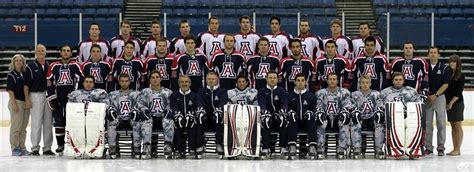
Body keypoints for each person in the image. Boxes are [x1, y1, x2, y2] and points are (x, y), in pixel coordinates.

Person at [46, 45, 83, 155]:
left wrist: (77, 97)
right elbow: (49, 82)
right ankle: (60, 145)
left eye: (68, 51)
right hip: (58, 98)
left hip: (72, 99)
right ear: (60, 53)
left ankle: (73, 144)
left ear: (71, 53)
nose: (66, 53)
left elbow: (81, 80)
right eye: (64, 51)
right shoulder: (53, 66)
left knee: (73, 122)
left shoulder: (76, 65)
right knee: (59, 122)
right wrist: (52, 97)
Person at [376, 72, 423, 159]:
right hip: (392, 118)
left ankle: (412, 150)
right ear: (393, 81)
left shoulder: (411, 91)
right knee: (397, 125)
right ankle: (396, 151)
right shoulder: (385, 92)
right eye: (396, 80)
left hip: (407, 117)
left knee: (413, 125)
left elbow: (418, 103)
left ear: (403, 81)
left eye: (400, 80)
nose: (398, 82)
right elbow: (379, 105)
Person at [24, 44, 54, 156]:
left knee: (48, 122)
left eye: (43, 51)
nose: (41, 53)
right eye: (39, 51)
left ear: (45, 52)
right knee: (36, 122)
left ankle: (47, 148)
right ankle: (35, 148)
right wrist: (27, 99)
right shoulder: (30, 67)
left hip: (48, 96)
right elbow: (26, 84)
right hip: (35, 95)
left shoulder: (49, 66)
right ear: (35, 53)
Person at [136, 71, 174, 159]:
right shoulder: (145, 92)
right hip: (150, 117)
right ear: (149, 80)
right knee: (146, 121)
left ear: (160, 79)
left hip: (162, 118)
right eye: (152, 77)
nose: (155, 79)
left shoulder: (167, 92)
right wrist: (144, 110)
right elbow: (140, 104)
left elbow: (172, 104)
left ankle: (168, 146)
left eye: (157, 77)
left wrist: (168, 110)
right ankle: (147, 147)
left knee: (168, 120)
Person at [314, 73, 352, 159]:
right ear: (327, 81)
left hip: (338, 118)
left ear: (338, 81)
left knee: (345, 118)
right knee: (320, 119)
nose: (332, 81)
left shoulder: (344, 92)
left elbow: (347, 106)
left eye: (334, 79)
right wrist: (321, 114)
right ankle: (320, 147)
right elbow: (318, 106)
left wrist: (343, 114)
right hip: (326, 118)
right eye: (330, 79)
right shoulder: (320, 93)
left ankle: (341, 148)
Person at [349, 75, 384, 159]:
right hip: (360, 118)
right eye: (363, 82)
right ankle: (357, 148)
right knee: (355, 122)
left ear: (370, 83)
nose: (365, 84)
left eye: (367, 82)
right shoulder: (354, 94)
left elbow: (380, 106)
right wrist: (354, 111)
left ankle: (378, 148)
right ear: (359, 83)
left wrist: (379, 112)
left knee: (379, 122)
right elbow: (350, 106)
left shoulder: (376, 94)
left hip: (372, 118)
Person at [106, 74, 140, 159]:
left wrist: (136, 111)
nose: (124, 83)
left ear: (129, 82)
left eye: (126, 81)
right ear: (119, 82)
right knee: (111, 123)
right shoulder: (113, 94)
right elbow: (109, 106)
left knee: (137, 123)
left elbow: (140, 105)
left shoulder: (136, 94)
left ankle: (136, 147)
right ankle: (113, 147)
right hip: (119, 118)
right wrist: (111, 111)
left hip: (131, 118)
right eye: (122, 81)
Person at [424, 46, 450, 156]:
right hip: (427, 98)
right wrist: (428, 95)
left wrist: (436, 94)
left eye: (435, 52)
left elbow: (446, 84)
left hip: (439, 98)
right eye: (431, 52)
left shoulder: (444, 68)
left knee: (441, 124)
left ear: (438, 55)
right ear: (428, 54)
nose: (433, 54)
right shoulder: (425, 67)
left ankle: (441, 147)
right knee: (428, 124)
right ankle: (428, 147)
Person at [258, 70, 289, 159]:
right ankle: (266, 148)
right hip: (268, 117)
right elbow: (262, 103)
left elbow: (285, 103)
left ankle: (283, 147)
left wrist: (283, 110)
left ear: (277, 79)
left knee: (284, 118)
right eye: (270, 78)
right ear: (266, 79)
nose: (272, 80)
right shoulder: (262, 91)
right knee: (265, 119)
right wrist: (264, 111)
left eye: (274, 78)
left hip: (278, 118)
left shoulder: (282, 91)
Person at [196, 72, 228, 157]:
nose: (211, 81)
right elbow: (200, 102)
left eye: (213, 79)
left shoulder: (222, 91)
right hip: (206, 117)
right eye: (209, 79)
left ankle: (219, 144)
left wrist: (219, 109)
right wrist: (201, 109)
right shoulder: (201, 90)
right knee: (200, 116)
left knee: (219, 116)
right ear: (206, 80)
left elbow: (223, 102)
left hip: (216, 117)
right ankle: (199, 144)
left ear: (217, 79)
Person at [286, 73, 317, 159]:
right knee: (292, 118)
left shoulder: (311, 96)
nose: (300, 83)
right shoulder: (290, 96)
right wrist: (290, 112)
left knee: (311, 117)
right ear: (295, 82)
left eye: (302, 81)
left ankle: (312, 146)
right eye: (298, 81)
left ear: (306, 82)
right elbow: (287, 108)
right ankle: (292, 146)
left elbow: (314, 108)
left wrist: (311, 112)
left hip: (306, 121)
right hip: (295, 121)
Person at [171, 76, 200, 159]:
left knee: (191, 123)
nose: (184, 84)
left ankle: (191, 149)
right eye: (182, 82)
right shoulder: (174, 95)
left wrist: (192, 113)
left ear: (190, 83)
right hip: (179, 119)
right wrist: (177, 114)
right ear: (179, 83)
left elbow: (198, 106)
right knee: (176, 124)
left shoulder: (194, 95)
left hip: (190, 119)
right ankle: (178, 149)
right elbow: (173, 107)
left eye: (186, 82)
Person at [7, 54, 30, 156]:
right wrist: (14, 103)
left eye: (21, 61)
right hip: (16, 102)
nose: (19, 62)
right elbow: (10, 90)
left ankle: (22, 147)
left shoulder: (25, 74)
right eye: (17, 61)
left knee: (23, 128)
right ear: (13, 62)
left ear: (23, 62)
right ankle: (15, 148)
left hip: (25, 102)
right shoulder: (11, 75)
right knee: (16, 127)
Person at [445, 54, 465, 156]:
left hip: (457, 103)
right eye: (450, 61)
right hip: (448, 103)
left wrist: (451, 103)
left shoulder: (461, 75)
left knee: (457, 126)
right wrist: (447, 103)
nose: (452, 63)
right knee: (453, 126)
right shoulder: (447, 74)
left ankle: (458, 149)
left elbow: (458, 92)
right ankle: (454, 148)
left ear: (458, 64)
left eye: (454, 61)